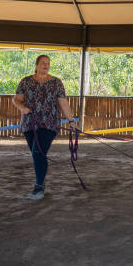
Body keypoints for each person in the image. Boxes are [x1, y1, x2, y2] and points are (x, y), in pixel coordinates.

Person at [12, 55, 78, 199]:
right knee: (37, 154)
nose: (46, 65)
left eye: (48, 63)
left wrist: (71, 120)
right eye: (43, 63)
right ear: (36, 65)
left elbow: (63, 102)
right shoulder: (25, 81)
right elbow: (16, 99)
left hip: (49, 124)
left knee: (38, 152)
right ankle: (40, 183)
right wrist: (22, 108)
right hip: (29, 124)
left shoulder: (56, 82)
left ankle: (39, 187)